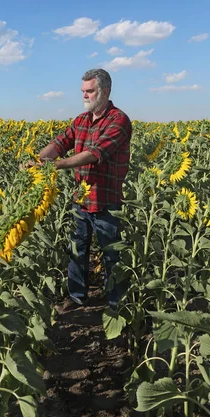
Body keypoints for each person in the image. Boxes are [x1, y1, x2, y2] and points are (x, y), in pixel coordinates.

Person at [38, 68, 132, 309]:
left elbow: (94, 154)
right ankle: (77, 296)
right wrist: (40, 159)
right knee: (76, 250)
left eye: (90, 91)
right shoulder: (80, 120)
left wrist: (56, 166)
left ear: (105, 91)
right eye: (83, 91)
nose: (85, 96)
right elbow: (60, 143)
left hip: (106, 201)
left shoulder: (118, 120)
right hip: (81, 199)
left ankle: (115, 305)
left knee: (111, 255)